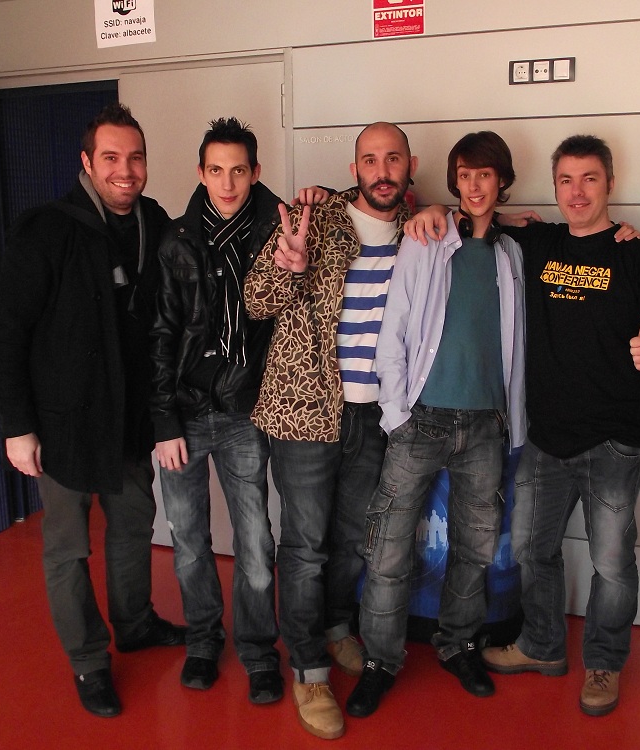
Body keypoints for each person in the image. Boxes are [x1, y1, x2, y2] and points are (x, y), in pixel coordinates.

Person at [406, 134, 640, 717]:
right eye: (566, 180)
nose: (577, 192)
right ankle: (542, 645)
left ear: (610, 183)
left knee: (611, 563)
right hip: (546, 438)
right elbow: (479, 212)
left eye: (589, 179)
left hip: (617, 439)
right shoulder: (538, 242)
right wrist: (433, 207)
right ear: (555, 186)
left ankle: (604, 663)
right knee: (533, 551)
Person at [0, 102, 185, 718]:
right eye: (111, 158)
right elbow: (3, 334)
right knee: (68, 547)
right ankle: (89, 660)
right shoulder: (46, 229)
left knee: (133, 529)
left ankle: (135, 623)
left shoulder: (154, 221)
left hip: (130, 421)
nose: (126, 170)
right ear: (87, 163)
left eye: (136, 157)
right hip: (62, 426)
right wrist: (18, 427)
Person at [243, 122, 417, 740]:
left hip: (376, 413)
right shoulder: (310, 217)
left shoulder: (422, 229)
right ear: (355, 167)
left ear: (408, 165)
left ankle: (338, 626)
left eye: (392, 158)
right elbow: (256, 300)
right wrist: (289, 267)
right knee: (306, 546)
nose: (381, 170)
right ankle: (309, 668)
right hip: (305, 410)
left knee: (351, 538)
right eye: (370, 159)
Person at [344, 131, 527, 719]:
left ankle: (458, 645)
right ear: (453, 181)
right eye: (464, 175)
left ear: (502, 181)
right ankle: (380, 661)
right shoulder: (425, 241)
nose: (475, 186)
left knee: (474, 549)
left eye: (485, 175)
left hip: (484, 427)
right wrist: (397, 417)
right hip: (419, 423)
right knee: (388, 550)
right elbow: (393, 332)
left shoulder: (511, 255)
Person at [149, 117, 283, 705]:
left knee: (254, 544)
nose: (227, 184)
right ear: (201, 173)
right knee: (188, 540)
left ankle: (257, 650)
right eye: (216, 170)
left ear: (255, 173)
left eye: (238, 171)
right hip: (182, 412)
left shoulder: (276, 232)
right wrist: (163, 421)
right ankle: (203, 641)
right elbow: (160, 334)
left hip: (242, 411)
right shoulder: (177, 240)